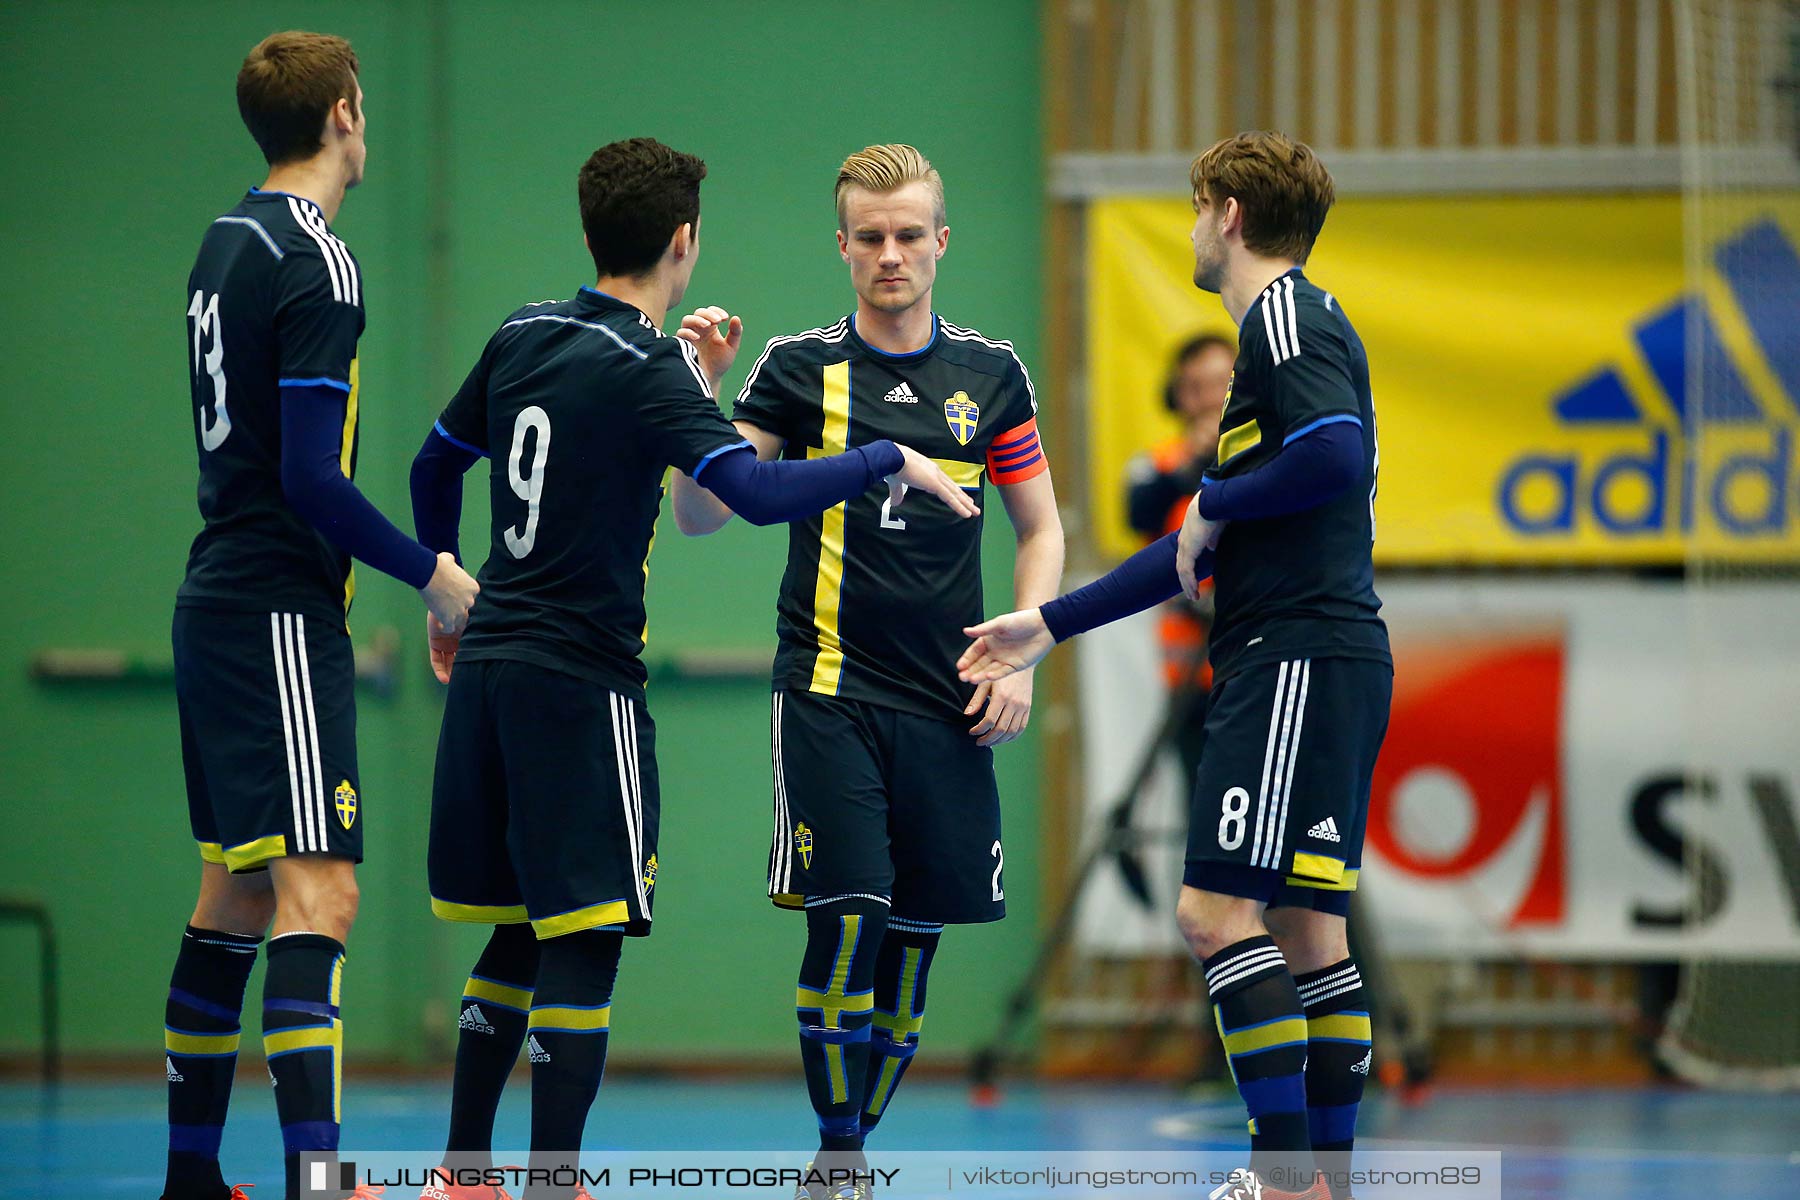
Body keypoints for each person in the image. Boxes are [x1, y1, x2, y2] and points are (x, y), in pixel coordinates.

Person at [407, 137, 976, 1200]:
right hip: (580, 683)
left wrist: (444, 586)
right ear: (684, 240)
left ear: (589, 233)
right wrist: (884, 458)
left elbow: (434, 461)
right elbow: (752, 497)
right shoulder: (648, 367)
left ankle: (463, 1172)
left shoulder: (525, 331)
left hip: (489, 666)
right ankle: (551, 1181)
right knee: (587, 935)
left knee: (519, 926)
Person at [958, 131, 1388, 1200]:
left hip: (1292, 656)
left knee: (1212, 916)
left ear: (1229, 216)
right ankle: (1319, 1183)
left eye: (1199, 208)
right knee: (1308, 930)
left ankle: (1283, 1182)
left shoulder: (1284, 314)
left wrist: (1220, 497)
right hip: (1321, 655)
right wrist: (1046, 624)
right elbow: (1191, 545)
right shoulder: (1279, 340)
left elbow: (1335, 456)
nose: (1194, 227)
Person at [669, 143, 1065, 1200]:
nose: (890, 255)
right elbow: (704, 512)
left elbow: (1041, 528)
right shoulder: (798, 370)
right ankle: (839, 1158)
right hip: (830, 691)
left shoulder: (993, 374)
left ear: (941, 241)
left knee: (913, 946)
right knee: (848, 915)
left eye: (908, 235)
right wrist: (699, 393)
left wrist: (1025, 649)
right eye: (870, 238)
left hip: (952, 701)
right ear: (841, 246)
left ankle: (848, 1147)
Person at [163, 31, 479, 1200]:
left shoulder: (223, 238)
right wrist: (433, 573)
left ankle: (192, 1179)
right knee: (321, 892)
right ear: (347, 111)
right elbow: (310, 475)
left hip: (216, 600)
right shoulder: (318, 258)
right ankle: (319, 1185)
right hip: (279, 610)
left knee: (236, 894)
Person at [1124, 332, 1235, 781]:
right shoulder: (1159, 465)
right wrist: (1197, 461)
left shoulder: (1270, 457)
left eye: (1221, 384)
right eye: (1198, 387)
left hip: (1255, 663)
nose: (1210, 400)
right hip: (1190, 673)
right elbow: (1139, 512)